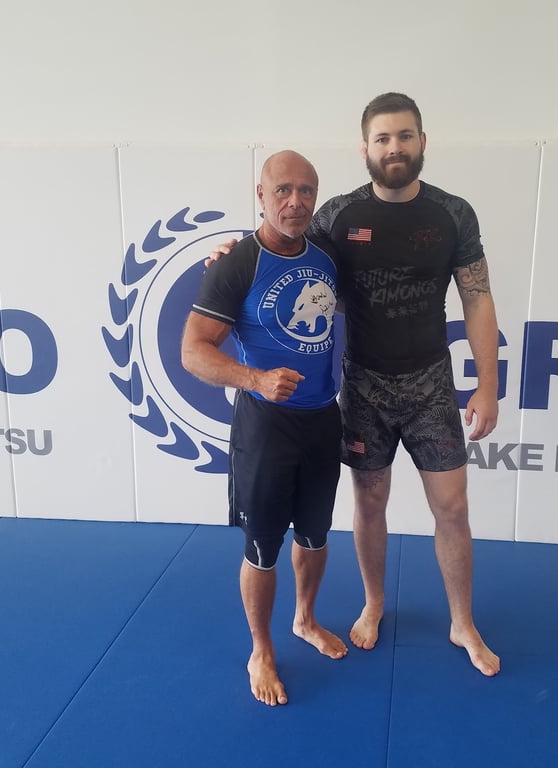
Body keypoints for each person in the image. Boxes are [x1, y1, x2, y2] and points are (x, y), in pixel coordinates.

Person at [212, 93, 501, 677]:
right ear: (365, 148)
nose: (394, 147)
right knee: (369, 503)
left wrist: (488, 384)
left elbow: (477, 298)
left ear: (423, 142)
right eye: (383, 138)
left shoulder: (453, 213)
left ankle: (462, 622)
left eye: (405, 136)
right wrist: (232, 252)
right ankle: (373, 603)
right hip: (364, 384)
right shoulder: (338, 215)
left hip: (431, 384)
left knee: (453, 506)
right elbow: (283, 245)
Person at [182, 150, 347, 707]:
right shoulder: (235, 264)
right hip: (265, 427)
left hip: (322, 419)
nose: (295, 201)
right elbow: (192, 351)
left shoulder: (326, 258)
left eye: (306, 191)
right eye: (282, 190)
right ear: (261, 194)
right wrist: (254, 378)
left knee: (316, 535)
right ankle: (261, 650)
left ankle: (305, 620)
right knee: (262, 547)